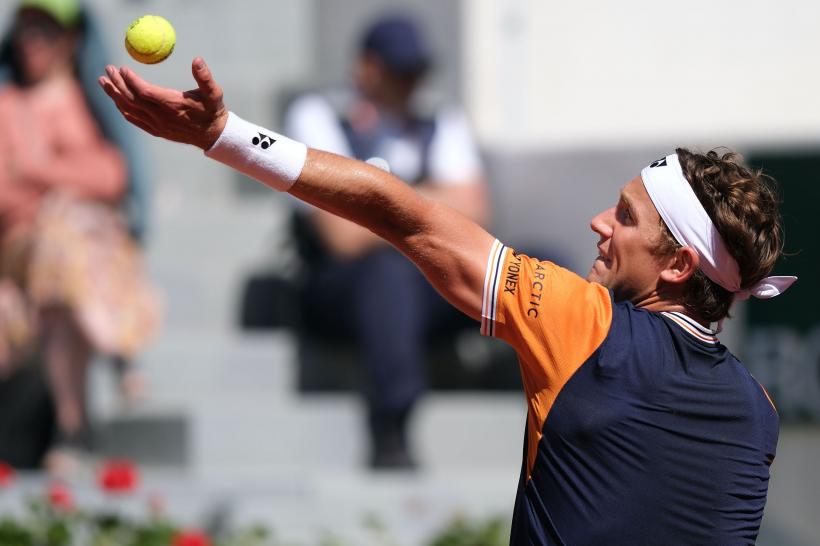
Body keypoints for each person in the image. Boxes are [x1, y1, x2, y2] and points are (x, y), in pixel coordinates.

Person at [99, 57, 796, 544]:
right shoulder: (759, 411)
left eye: (625, 217)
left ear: (677, 265)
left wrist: (223, 135)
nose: (598, 223)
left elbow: (405, 215)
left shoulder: (583, 324)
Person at [283, 15, 488, 469]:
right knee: (389, 274)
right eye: (400, 70)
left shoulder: (439, 119)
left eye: (417, 71)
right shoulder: (319, 116)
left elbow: (475, 210)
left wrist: (373, 203)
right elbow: (340, 236)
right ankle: (391, 427)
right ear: (367, 68)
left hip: (433, 283)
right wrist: (433, 202)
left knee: (532, 264)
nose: (412, 82)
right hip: (340, 288)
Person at [0, 0, 159, 474]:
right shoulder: (9, 105)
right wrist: (66, 182)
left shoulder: (90, 102)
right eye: (26, 31)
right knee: (62, 228)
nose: (32, 42)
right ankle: (117, 348)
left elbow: (113, 175)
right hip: (27, 250)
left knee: (62, 254)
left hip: (71, 258)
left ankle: (73, 431)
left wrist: (40, 172)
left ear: (71, 41)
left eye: (45, 32)